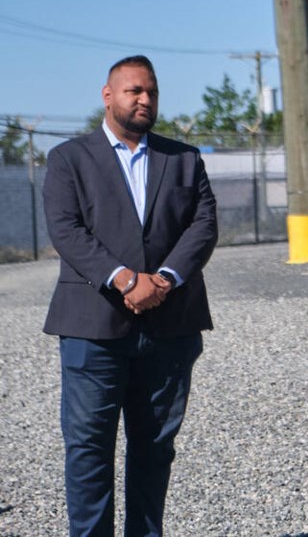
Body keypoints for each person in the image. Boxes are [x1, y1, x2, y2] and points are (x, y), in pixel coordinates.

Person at [42, 55, 218, 536]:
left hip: (169, 326)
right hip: (93, 331)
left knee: (155, 447)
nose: (145, 100)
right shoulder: (68, 159)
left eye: (152, 92)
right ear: (108, 95)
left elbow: (203, 226)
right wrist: (123, 278)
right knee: (88, 449)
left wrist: (163, 278)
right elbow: (66, 229)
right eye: (134, 91)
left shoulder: (183, 158)